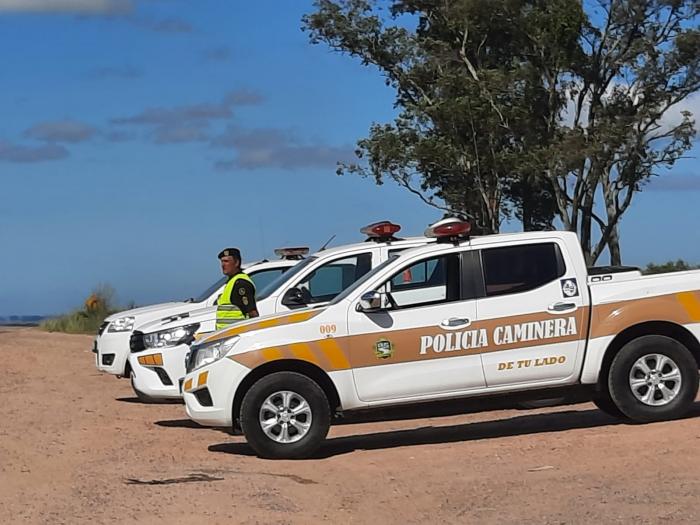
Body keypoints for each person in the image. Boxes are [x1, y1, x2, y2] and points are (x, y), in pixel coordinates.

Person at [215, 248, 258, 330]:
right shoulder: (232, 282)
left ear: (236, 263)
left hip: (236, 334)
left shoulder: (241, 283)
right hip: (226, 334)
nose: (223, 265)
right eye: (222, 261)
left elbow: (252, 313)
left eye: (226, 261)